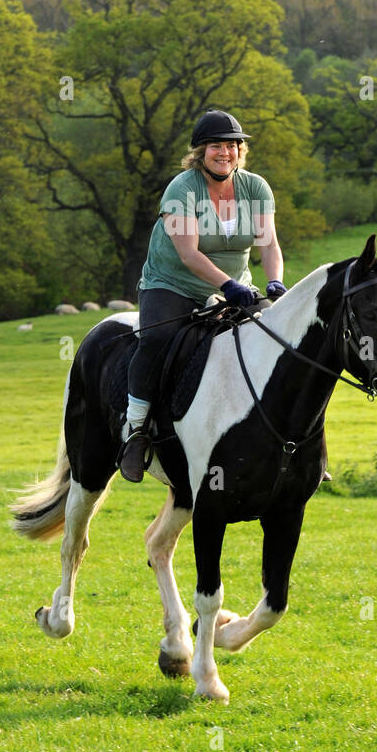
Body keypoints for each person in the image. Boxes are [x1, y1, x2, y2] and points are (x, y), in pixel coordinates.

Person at [119, 109, 286, 482]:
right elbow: (189, 254)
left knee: (279, 340)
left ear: (240, 150)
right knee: (157, 339)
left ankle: (286, 435)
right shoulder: (182, 189)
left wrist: (274, 281)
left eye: (231, 145)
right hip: (172, 283)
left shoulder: (256, 187)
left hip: (236, 286)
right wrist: (228, 286)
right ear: (200, 152)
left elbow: (269, 242)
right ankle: (135, 432)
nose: (224, 152)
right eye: (215, 146)